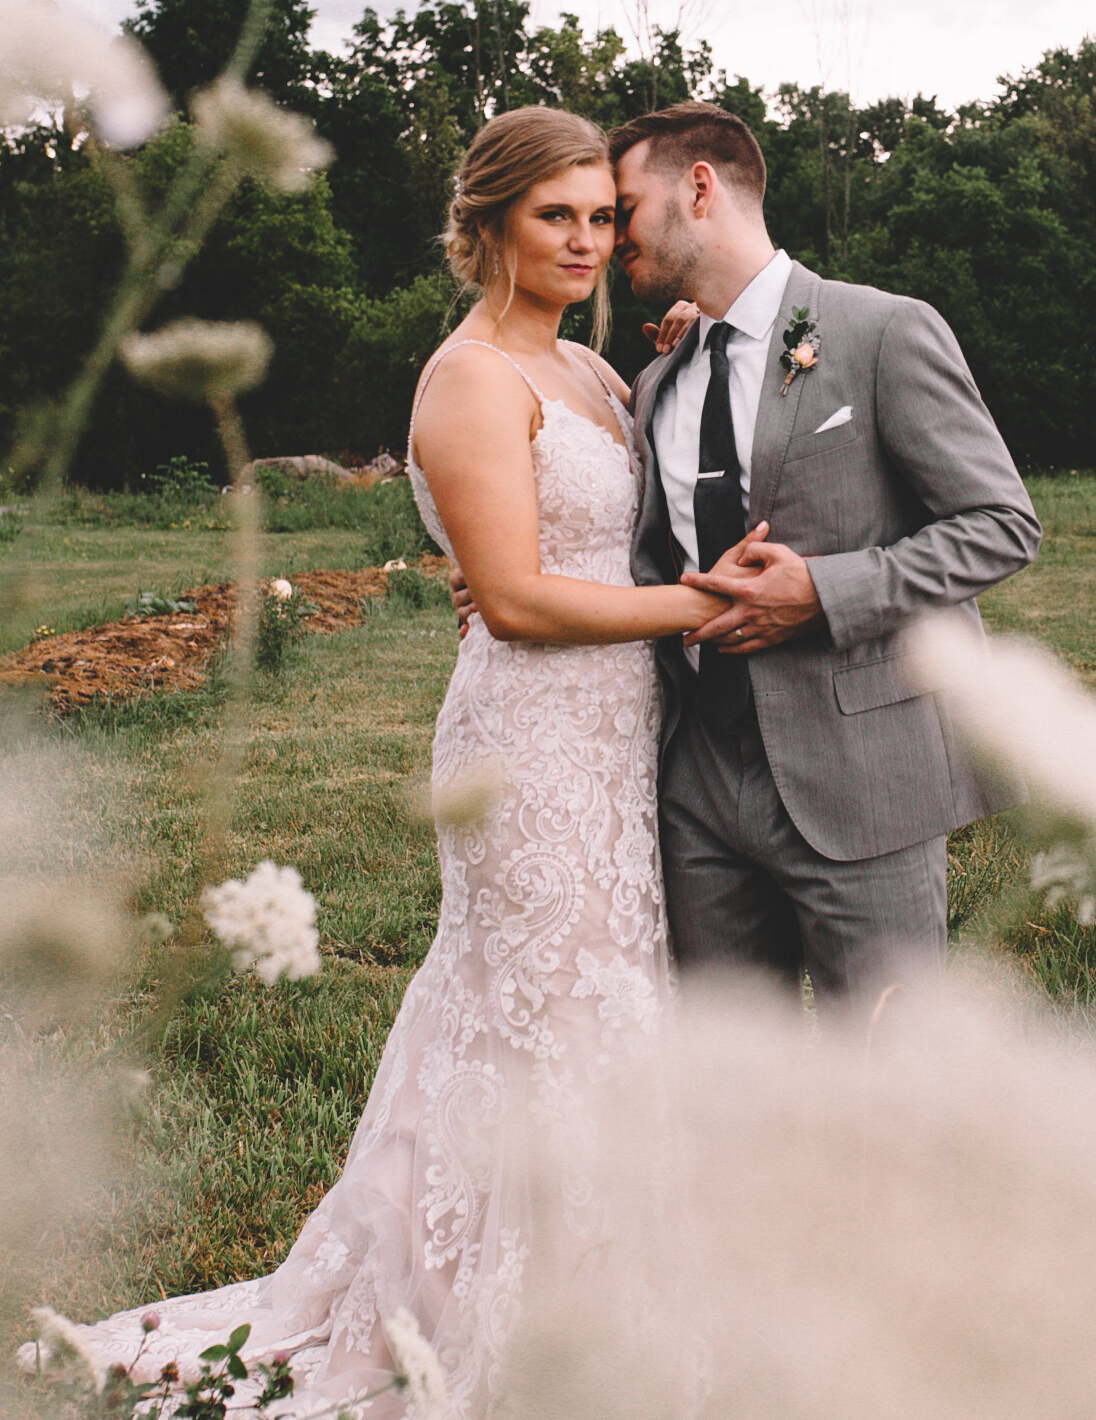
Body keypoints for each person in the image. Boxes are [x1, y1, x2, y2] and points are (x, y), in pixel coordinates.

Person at [48, 107, 736, 1419]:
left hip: (613, 737)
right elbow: (522, 601)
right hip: (529, 745)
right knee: (549, 1018)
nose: (589, 240)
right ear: (486, 226)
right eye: (558, 217)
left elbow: (599, 536)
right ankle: (483, 1325)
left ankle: (597, 1300)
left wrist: (688, 355)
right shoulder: (469, 376)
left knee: (603, 1015)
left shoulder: (590, 375)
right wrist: (705, 606)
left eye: (603, 217)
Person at [606, 100, 1042, 1000]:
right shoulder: (658, 378)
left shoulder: (881, 331)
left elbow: (1001, 522)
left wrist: (827, 591)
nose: (611, 236)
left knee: (885, 1087)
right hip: (697, 792)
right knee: (740, 1085)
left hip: (862, 782)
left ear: (698, 188)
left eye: (622, 208)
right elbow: (642, 554)